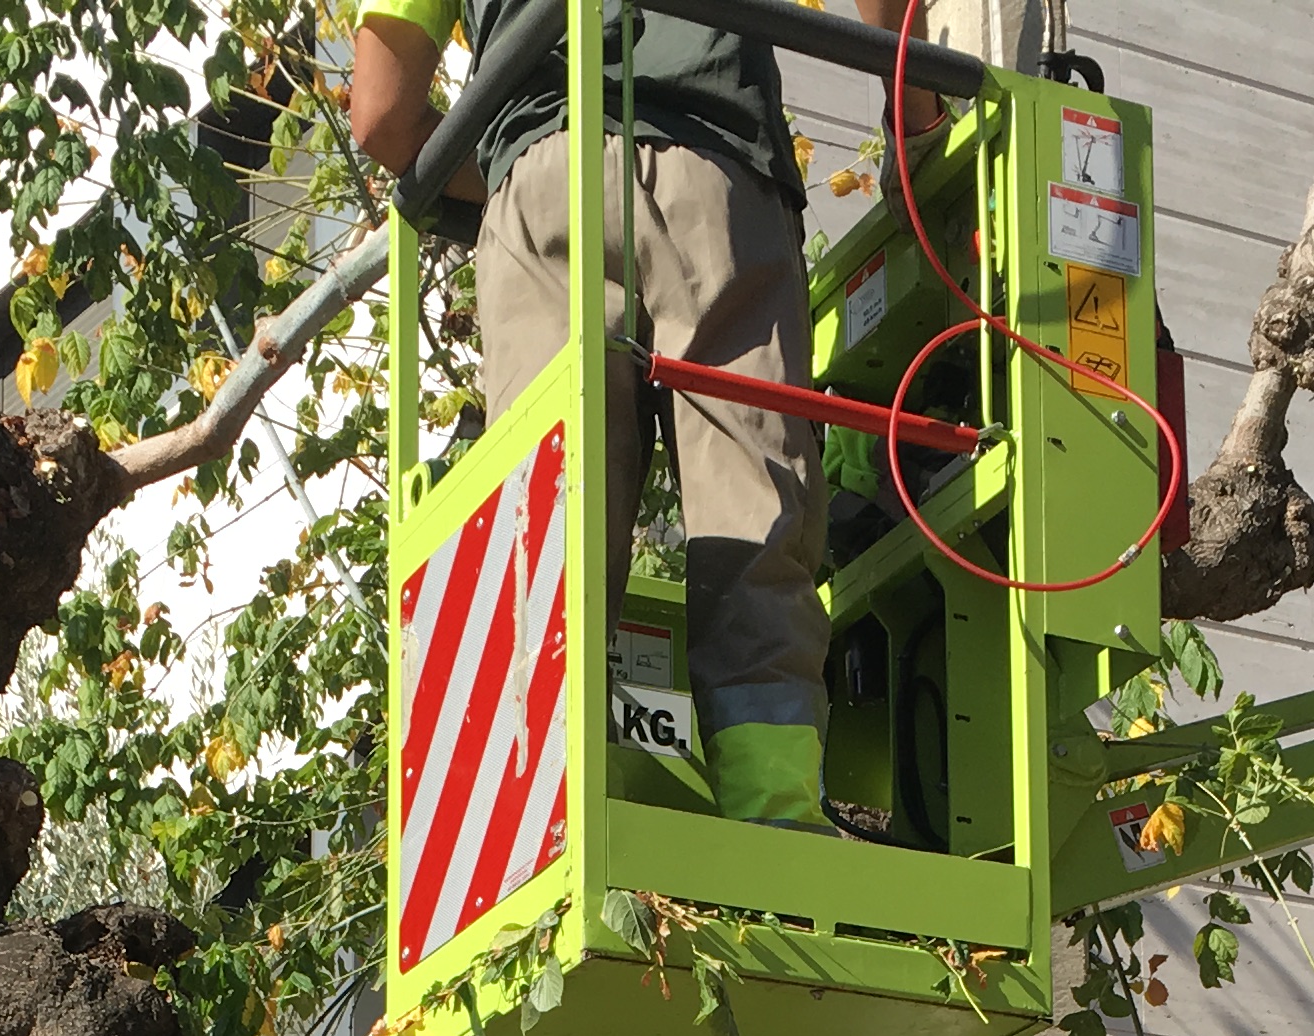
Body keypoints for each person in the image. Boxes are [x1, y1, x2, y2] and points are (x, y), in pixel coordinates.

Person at [347, 0, 934, 830]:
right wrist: (913, 123)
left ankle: (545, 824)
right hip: (717, 161)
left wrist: (518, 161)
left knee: (551, 527)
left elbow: (378, 116)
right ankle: (775, 822)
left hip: (538, 192)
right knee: (750, 499)